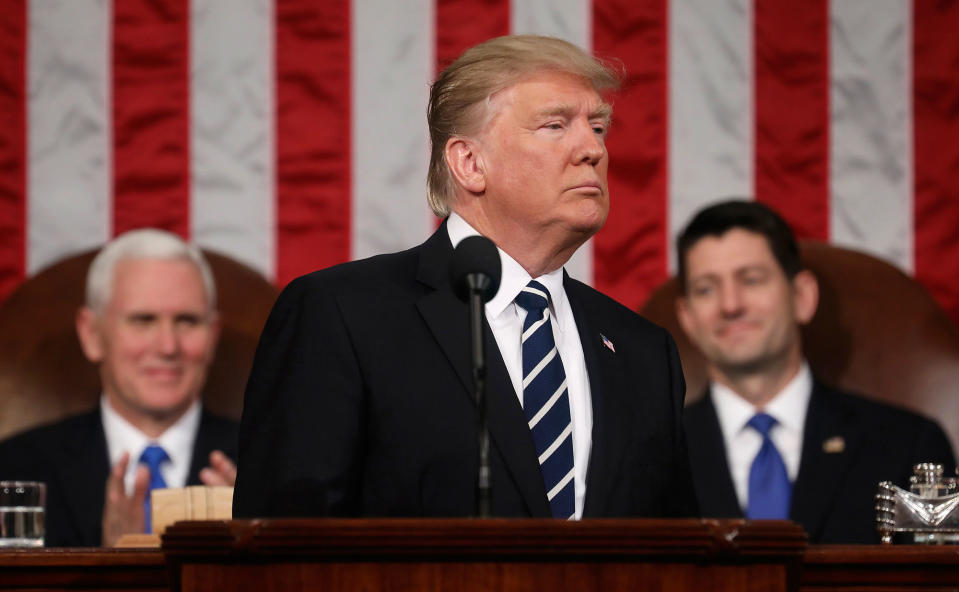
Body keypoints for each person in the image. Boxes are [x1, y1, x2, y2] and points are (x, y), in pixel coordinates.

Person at [233, 35, 696, 519]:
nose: (592, 150)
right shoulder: (341, 316)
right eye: (556, 125)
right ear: (470, 162)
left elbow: (680, 553)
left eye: (598, 127)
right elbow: (282, 546)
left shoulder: (644, 352)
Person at [676, 200, 956, 543]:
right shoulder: (653, 456)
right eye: (707, 288)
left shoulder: (907, 447)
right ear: (687, 318)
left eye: (751, 279)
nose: (730, 305)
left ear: (802, 296)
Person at [0, 229, 239, 547]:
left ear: (213, 335)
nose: (168, 346)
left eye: (187, 321)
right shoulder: (13, 468)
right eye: (143, 320)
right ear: (92, 334)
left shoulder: (268, 468)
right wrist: (113, 567)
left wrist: (250, 553)